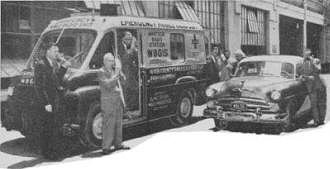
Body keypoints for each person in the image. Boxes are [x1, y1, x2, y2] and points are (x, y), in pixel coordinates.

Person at [34, 45, 70, 160]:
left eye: (58, 51)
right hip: (47, 102)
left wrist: (64, 67)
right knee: (48, 128)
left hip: (54, 100)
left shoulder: (53, 63)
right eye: (55, 51)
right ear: (48, 51)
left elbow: (56, 80)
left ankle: (52, 152)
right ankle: (48, 153)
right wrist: (46, 103)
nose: (57, 53)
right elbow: (39, 86)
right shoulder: (41, 64)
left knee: (54, 127)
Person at [98, 53, 130, 155]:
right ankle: (106, 147)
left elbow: (124, 82)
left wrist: (121, 74)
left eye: (112, 61)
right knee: (108, 124)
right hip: (108, 101)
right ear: (104, 61)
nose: (112, 63)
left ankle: (118, 144)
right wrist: (116, 74)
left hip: (117, 100)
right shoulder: (101, 71)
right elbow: (107, 85)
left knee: (118, 123)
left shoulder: (114, 70)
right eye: (109, 61)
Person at [296, 48, 323, 127]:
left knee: (314, 104)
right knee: (301, 105)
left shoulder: (315, 61)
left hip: (313, 87)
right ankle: (300, 121)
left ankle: (317, 121)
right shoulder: (300, 63)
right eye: (305, 54)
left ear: (311, 55)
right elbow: (297, 74)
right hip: (302, 87)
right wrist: (300, 77)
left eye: (308, 55)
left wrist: (314, 62)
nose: (307, 56)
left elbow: (319, 70)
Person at [118, 31, 139, 111]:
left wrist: (135, 48)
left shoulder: (129, 47)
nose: (129, 41)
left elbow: (136, 57)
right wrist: (133, 46)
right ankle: (128, 108)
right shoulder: (120, 46)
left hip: (129, 72)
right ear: (123, 39)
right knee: (133, 88)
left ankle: (130, 107)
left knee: (135, 88)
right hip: (124, 72)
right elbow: (126, 57)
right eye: (127, 39)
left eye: (130, 39)